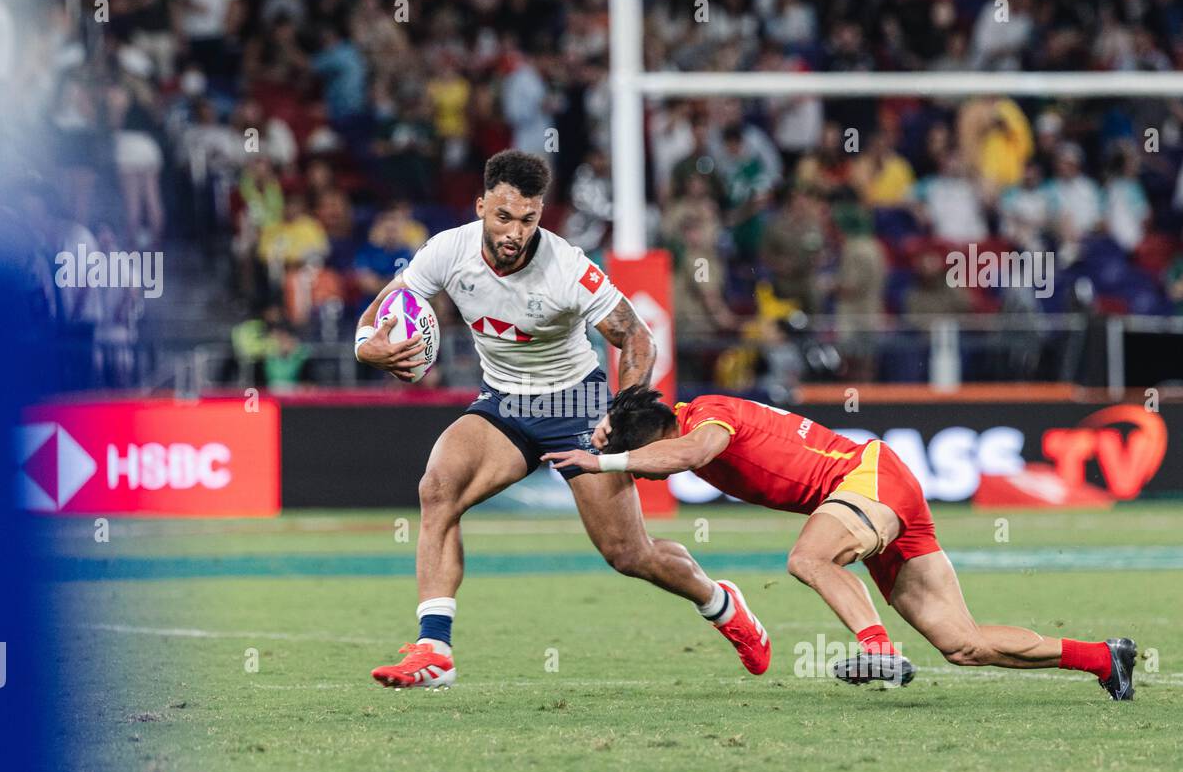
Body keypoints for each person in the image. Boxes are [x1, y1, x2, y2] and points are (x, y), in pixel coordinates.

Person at [355, 151, 770, 688]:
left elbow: (636, 336)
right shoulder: (446, 250)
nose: (514, 232)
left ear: (540, 216)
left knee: (628, 554)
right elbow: (381, 312)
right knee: (438, 488)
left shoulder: (568, 267)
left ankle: (720, 602)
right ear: (481, 206)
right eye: (503, 217)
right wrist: (368, 348)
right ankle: (435, 649)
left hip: (575, 404)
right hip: (503, 402)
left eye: (528, 220)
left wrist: (620, 416)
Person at [543, 386, 1137, 701]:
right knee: (964, 645)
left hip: (867, 479)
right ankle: (1104, 658)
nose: (636, 473)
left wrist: (602, 461)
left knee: (807, 558)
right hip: (876, 491)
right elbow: (673, 458)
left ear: (649, 438)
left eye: (634, 458)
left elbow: (690, 454)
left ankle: (876, 646)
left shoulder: (706, 417)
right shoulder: (686, 427)